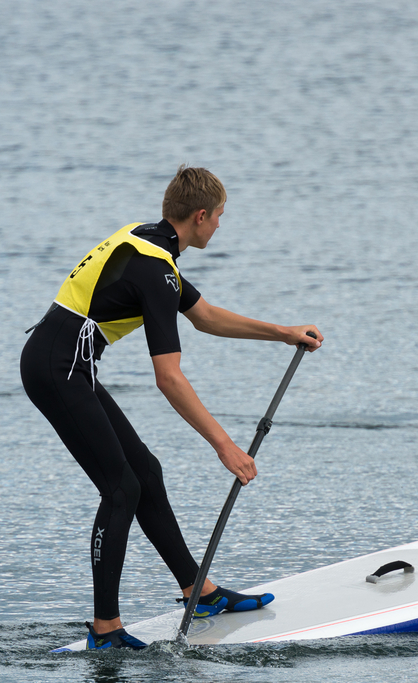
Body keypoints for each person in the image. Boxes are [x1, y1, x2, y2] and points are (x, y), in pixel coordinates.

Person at [20, 166, 323, 650]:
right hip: (59, 369)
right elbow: (169, 377)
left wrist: (283, 332)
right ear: (200, 216)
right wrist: (225, 445)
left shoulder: (145, 241)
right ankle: (106, 630)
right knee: (120, 488)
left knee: (145, 472)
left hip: (61, 362)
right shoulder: (156, 269)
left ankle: (197, 591)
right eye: (220, 216)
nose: (221, 226)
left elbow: (203, 316)